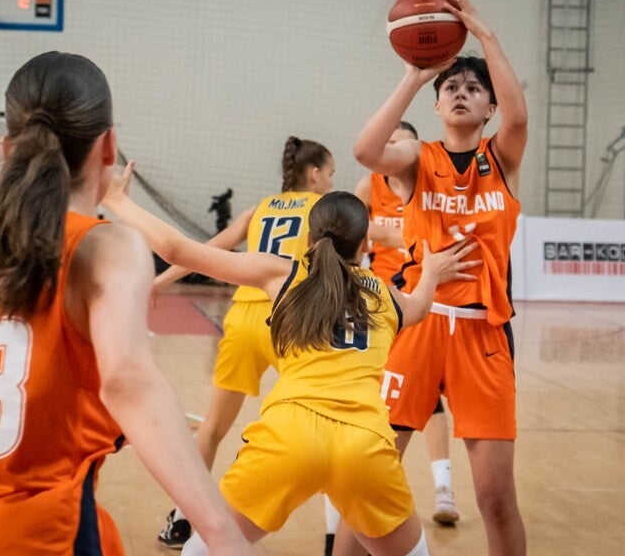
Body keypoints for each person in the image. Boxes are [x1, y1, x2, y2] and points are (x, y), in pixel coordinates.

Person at [0, 51, 254, 556]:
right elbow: (127, 381)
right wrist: (220, 532)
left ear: (8, 148)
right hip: (49, 537)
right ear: (109, 146)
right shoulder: (104, 248)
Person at [101, 175, 481, 556]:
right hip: (364, 445)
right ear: (365, 244)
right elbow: (421, 307)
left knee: (202, 550)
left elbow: (176, 249)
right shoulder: (386, 295)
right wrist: (432, 272)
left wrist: (117, 201)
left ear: (310, 238)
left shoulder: (282, 274)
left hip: (290, 437)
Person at [346, 0, 530, 556]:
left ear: (489, 108)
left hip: (482, 335)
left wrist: (484, 33)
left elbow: (521, 115)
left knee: (495, 498)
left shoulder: (502, 158)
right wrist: (415, 74)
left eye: (474, 88)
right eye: (452, 87)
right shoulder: (417, 160)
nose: (461, 93)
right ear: (437, 105)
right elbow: (365, 151)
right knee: (369, 477)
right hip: (418, 324)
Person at [152, 136, 335, 549]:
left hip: (242, 319)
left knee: (213, 427)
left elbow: (209, 248)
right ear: (314, 174)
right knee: (330, 423)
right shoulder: (323, 209)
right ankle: (334, 535)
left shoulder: (260, 209)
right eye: (330, 173)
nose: (331, 181)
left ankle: (181, 520)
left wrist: (160, 280)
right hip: (288, 319)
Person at [354, 121, 461, 527]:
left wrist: (392, 236)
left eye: (401, 144)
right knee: (380, 398)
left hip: (422, 301)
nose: (394, 151)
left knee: (429, 397)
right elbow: (348, 230)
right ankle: (371, 485)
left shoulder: (429, 184)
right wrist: (377, 234)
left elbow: (438, 239)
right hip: (381, 302)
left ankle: (443, 488)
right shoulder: (369, 186)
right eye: (389, 144)